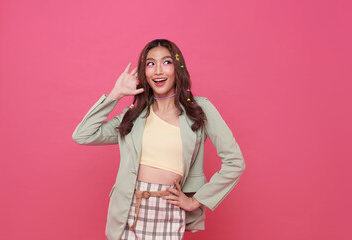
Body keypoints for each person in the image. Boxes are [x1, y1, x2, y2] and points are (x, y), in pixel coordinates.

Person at [72, 39, 246, 240]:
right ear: (144, 72)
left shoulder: (200, 109)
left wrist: (196, 200)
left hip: (168, 211)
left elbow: (235, 162)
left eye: (166, 62)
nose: (158, 71)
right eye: (150, 64)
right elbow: (83, 135)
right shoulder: (134, 116)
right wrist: (115, 94)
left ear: (178, 68)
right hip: (128, 211)